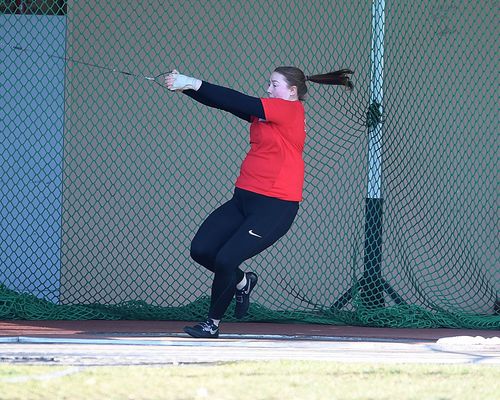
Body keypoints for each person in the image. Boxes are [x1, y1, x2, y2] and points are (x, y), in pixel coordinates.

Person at [166, 66, 353, 338]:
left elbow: (239, 100)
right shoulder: (269, 111)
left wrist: (194, 82)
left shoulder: (290, 110)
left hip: (275, 206)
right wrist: (185, 88)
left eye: (274, 84)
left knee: (227, 258)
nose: (268, 89)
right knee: (202, 249)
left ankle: (212, 325)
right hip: (244, 198)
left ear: (292, 91)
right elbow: (225, 104)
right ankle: (244, 281)